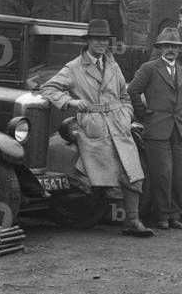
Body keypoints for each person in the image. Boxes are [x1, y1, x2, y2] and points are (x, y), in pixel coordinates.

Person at [41, 19, 152, 237]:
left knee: (133, 172)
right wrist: (71, 102)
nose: (102, 43)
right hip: (94, 127)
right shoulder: (74, 67)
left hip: (118, 124)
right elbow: (49, 88)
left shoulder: (112, 64)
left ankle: (132, 221)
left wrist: (126, 114)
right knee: (98, 175)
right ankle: (81, 214)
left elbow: (124, 94)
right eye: (97, 39)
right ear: (89, 41)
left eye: (105, 39)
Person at [127, 27, 182, 231]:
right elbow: (133, 90)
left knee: (178, 174)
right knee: (162, 174)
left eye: (174, 46)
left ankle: (175, 215)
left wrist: (180, 115)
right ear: (160, 48)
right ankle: (162, 216)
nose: (171, 50)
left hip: (179, 129)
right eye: (167, 46)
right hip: (156, 129)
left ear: (180, 49)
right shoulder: (149, 68)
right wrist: (144, 113)